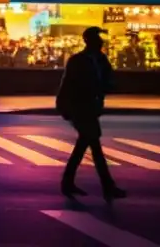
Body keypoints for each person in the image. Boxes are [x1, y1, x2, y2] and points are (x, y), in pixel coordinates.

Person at [56, 26, 127, 201]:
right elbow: (67, 85)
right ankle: (107, 186)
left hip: (92, 107)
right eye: (97, 38)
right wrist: (63, 106)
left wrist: (107, 88)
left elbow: (109, 79)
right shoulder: (77, 60)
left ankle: (68, 183)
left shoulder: (101, 60)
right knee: (93, 145)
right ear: (89, 41)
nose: (101, 41)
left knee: (85, 146)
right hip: (80, 107)